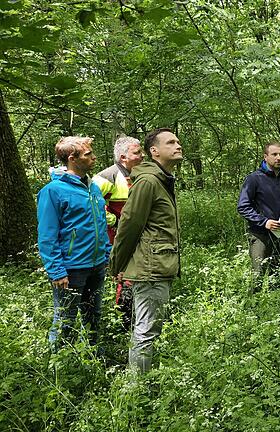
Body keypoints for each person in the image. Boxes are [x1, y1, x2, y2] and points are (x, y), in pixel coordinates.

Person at [110, 128, 182, 373]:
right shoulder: (149, 181)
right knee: (146, 330)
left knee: (151, 328)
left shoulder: (162, 180)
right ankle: (135, 390)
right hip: (150, 268)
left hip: (159, 265)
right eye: (170, 142)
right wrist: (116, 265)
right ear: (155, 151)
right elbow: (129, 225)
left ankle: (143, 380)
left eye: (178, 141)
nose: (178, 145)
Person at [37, 136, 111, 351]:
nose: (94, 157)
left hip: (97, 265)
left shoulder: (93, 188)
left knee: (94, 314)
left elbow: (99, 224)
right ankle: (59, 366)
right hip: (71, 269)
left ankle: (95, 357)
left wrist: (106, 254)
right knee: (65, 320)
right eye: (88, 154)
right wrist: (57, 271)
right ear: (72, 158)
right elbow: (47, 236)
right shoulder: (53, 191)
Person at [93, 135, 144, 332]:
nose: (142, 156)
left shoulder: (139, 173)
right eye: (137, 152)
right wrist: (113, 221)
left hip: (137, 234)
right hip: (115, 236)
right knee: (124, 275)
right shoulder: (107, 176)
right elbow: (91, 203)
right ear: (123, 157)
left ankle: (136, 315)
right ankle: (124, 321)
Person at [237, 141, 280, 291]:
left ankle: (275, 308)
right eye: (274, 154)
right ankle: (253, 308)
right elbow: (243, 206)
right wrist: (264, 222)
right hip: (260, 235)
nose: (278, 158)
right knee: (258, 274)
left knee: (277, 273)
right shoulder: (254, 178)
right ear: (265, 157)